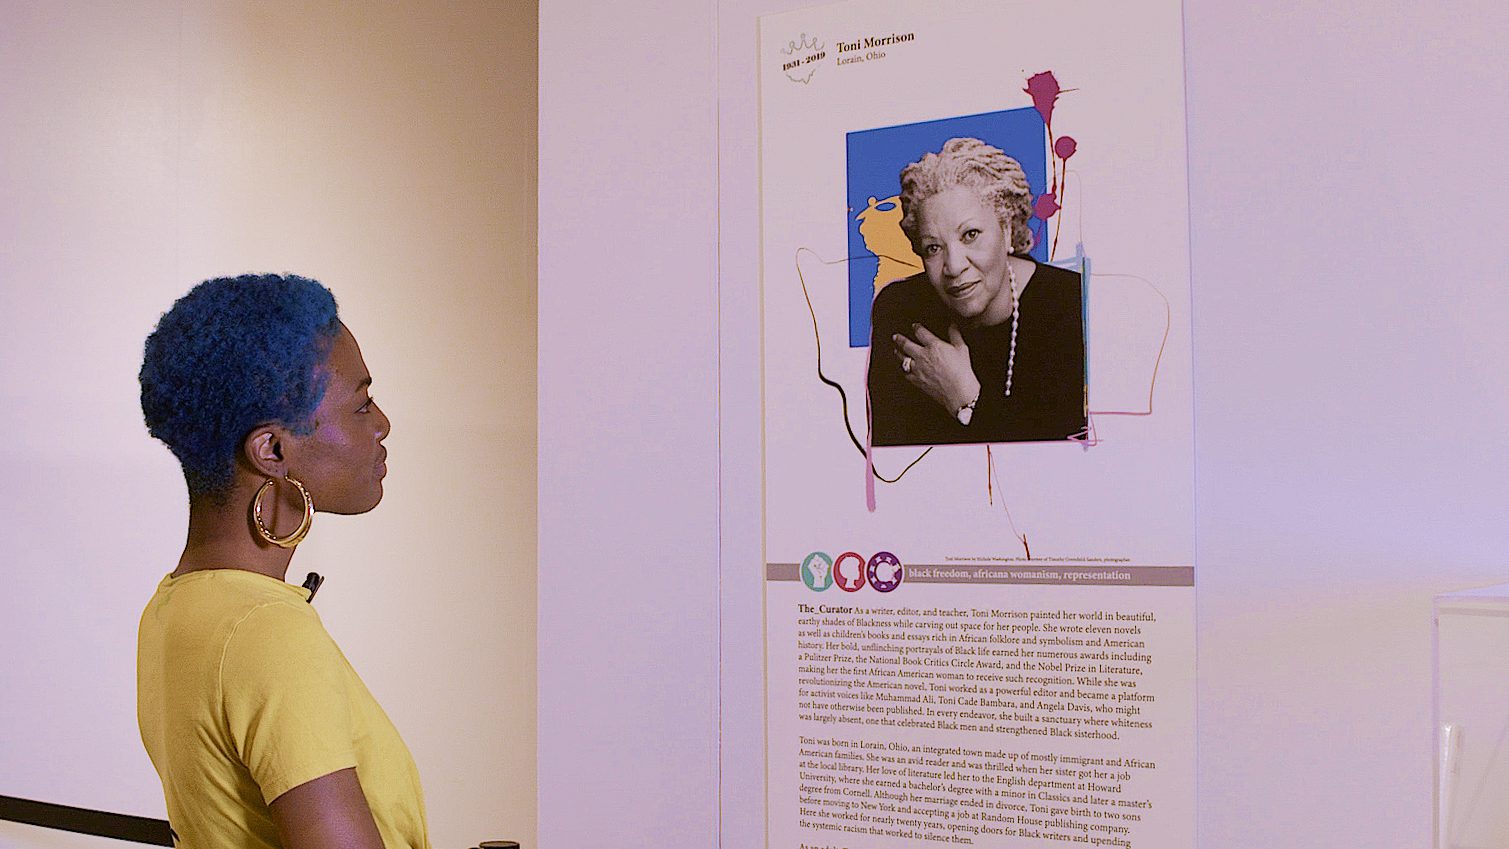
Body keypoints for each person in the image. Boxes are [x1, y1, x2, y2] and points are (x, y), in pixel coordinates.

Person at [136, 274, 428, 849]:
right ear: (272, 450)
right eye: (362, 404)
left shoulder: (170, 611)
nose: (383, 424)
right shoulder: (267, 632)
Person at [867, 137, 1087, 446]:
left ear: (1007, 228)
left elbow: (1066, 468)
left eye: (970, 235)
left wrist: (964, 398)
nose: (953, 267)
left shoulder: (1071, 304)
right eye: (933, 247)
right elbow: (889, 461)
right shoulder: (900, 310)